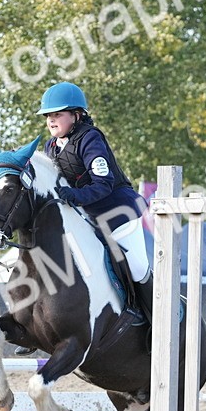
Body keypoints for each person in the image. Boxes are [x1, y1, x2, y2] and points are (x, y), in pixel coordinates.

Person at [37, 81, 153, 325]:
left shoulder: (90, 138)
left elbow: (103, 183)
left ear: (77, 116)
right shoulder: (50, 147)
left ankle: (156, 322)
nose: (51, 120)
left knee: (138, 267)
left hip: (118, 211)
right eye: (48, 115)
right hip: (87, 216)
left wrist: (74, 197)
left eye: (58, 114)